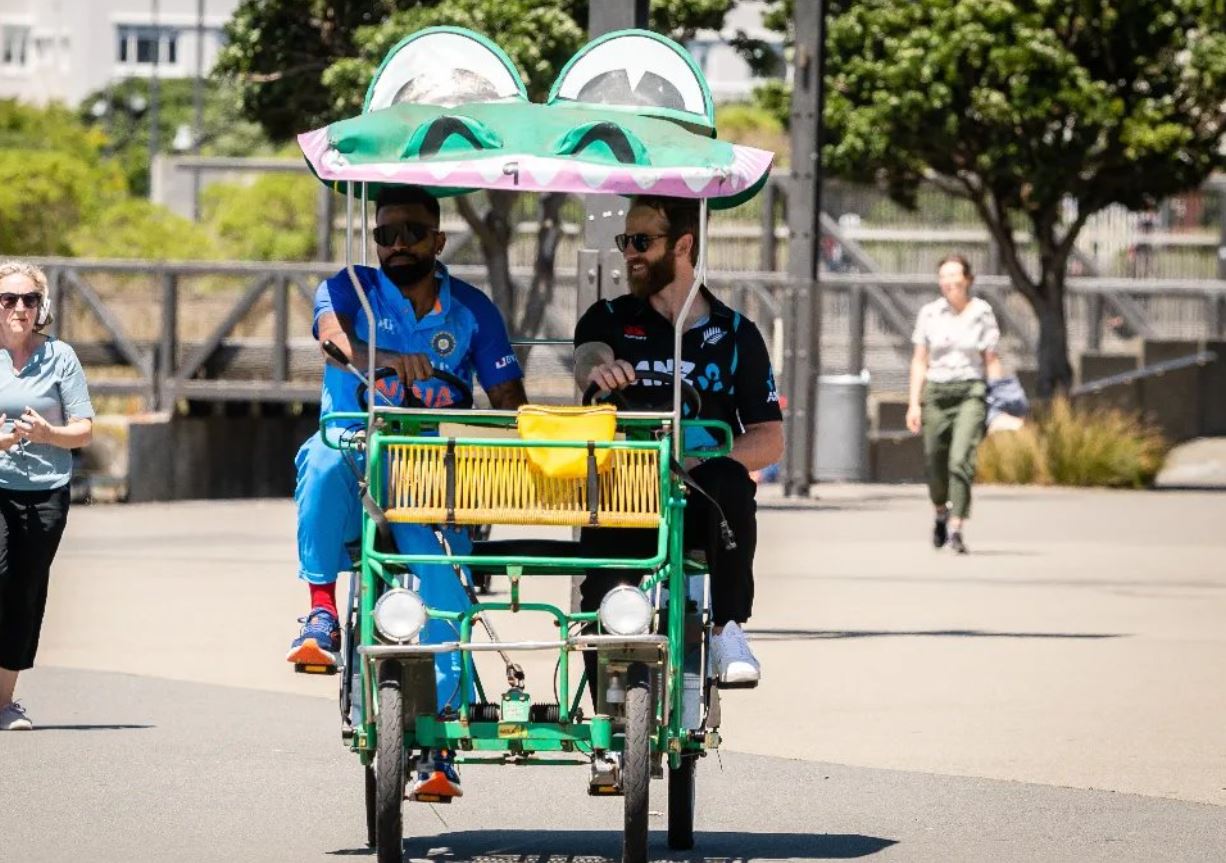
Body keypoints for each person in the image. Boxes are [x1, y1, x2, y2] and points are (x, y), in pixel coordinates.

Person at [288, 185, 526, 797]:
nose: (396, 245)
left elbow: (509, 401)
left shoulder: (473, 309)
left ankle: (439, 744)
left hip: (426, 468)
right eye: (385, 234)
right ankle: (320, 614)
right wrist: (385, 358)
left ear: (437, 240)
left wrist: (518, 444)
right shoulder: (350, 288)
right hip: (354, 446)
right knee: (318, 459)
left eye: (411, 233)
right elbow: (332, 339)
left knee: (445, 586)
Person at [573, 195, 784, 687]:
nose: (630, 253)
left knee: (730, 479)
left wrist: (700, 461)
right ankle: (608, 731)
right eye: (626, 241)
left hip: (698, 500)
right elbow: (588, 355)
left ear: (684, 245)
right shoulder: (609, 315)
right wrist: (601, 370)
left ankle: (729, 628)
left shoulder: (736, 334)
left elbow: (770, 439)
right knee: (600, 599)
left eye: (642, 241)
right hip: (623, 493)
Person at [0, 260, 94, 731]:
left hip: (45, 493)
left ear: (42, 308)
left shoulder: (60, 357)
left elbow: (83, 430)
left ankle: (5, 700)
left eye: (29, 300)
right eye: (9, 299)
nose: (19, 308)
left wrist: (47, 433)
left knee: (24, 592)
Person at [906, 254, 1003, 555]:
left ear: (968, 280)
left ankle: (957, 527)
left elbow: (992, 360)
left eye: (955, 276)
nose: (949, 283)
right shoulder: (930, 313)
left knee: (961, 459)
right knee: (935, 460)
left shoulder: (982, 313)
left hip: (970, 391)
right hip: (937, 392)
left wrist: (998, 403)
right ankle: (940, 512)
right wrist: (914, 403)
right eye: (944, 276)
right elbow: (919, 361)